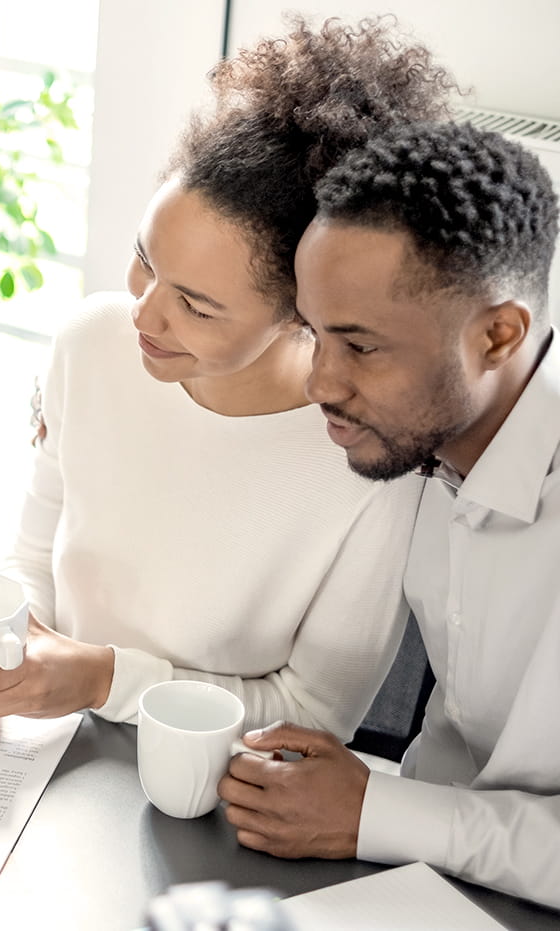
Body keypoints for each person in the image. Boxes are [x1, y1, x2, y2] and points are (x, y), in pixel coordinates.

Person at [0, 18, 457, 736]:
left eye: (195, 305)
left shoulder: (369, 455)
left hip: (214, 802)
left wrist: (102, 678)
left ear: (306, 313)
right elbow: (34, 559)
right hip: (53, 753)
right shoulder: (91, 343)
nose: (144, 314)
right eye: (145, 259)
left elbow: (317, 715)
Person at [219, 121, 560, 909]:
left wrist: (375, 811)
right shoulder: (426, 438)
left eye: (361, 346)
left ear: (498, 335)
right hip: (413, 881)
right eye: (314, 331)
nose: (321, 382)